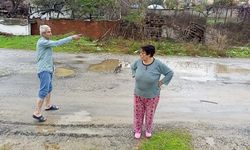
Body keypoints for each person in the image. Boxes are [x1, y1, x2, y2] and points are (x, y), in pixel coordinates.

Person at [33, 25, 82, 122]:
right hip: (44, 70)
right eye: (48, 32)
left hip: (48, 68)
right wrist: (71, 37)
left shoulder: (45, 41)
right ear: (43, 33)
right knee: (43, 90)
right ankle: (37, 113)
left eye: (50, 31)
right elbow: (57, 43)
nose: (51, 33)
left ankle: (48, 105)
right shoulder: (43, 42)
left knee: (49, 88)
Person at [131, 45, 174, 139]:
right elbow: (132, 67)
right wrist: (134, 74)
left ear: (149, 54)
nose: (140, 55)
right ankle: (137, 130)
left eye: (143, 53)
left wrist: (162, 82)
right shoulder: (138, 62)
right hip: (138, 94)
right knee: (138, 114)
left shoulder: (158, 64)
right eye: (140, 52)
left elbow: (170, 73)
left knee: (149, 115)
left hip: (152, 96)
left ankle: (148, 130)